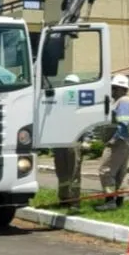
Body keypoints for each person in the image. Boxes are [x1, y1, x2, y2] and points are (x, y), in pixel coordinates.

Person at [97, 74, 129, 210]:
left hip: (118, 141)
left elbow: (123, 123)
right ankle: (118, 201)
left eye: (113, 88)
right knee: (120, 172)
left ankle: (110, 201)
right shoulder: (122, 101)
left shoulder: (123, 101)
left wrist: (113, 140)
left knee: (105, 170)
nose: (111, 91)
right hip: (124, 141)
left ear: (120, 89)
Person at [53, 74, 83, 208]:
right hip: (59, 141)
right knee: (61, 172)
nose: (68, 85)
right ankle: (64, 198)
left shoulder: (80, 102)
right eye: (66, 83)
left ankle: (74, 201)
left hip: (74, 141)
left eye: (70, 83)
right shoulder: (59, 101)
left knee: (73, 172)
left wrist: (87, 139)